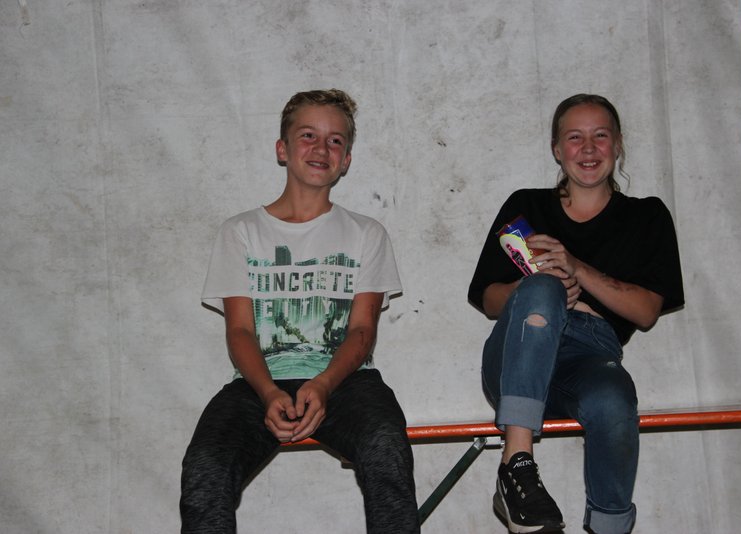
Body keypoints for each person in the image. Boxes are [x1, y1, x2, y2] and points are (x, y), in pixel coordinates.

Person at [180, 89, 419, 533]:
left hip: (346, 381)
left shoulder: (366, 233)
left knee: (386, 446)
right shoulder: (240, 231)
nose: (321, 148)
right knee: (205, 467)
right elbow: (240, 333)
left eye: (335, 140)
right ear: (282, 149)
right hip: (257, 382)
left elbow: (362, 330)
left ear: (346, 160)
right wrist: (268, 392)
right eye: (308, 135)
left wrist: (324, 384)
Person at [468, 94, 684, 534]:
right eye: (574, 137)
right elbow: (487, 299)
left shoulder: (647, 216)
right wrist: (534, 287)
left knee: (613, 398)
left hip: (591, 354)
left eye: (600, 136)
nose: (588, 148)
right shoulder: (527, 205)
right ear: (556, 149)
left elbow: (646, 312)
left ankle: (610, 525)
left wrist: (576, 268)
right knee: (543, 287)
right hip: (517, 356)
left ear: (618, 144)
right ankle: (517, 466)